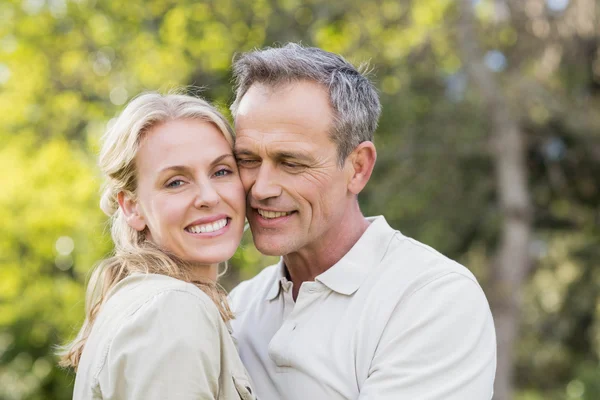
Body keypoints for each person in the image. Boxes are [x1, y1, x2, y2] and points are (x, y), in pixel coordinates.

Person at [228, 43, 497, 399]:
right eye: (247, 159)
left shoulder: (431, 300)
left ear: (358, 168)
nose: (260, 189)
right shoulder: (239, 307)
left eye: (291, 162)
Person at [59, 93, 255, 400]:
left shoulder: (149, 301)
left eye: (221, 171)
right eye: (176, 182)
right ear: (132, 207)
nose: (209, 196)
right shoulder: (171, 310)